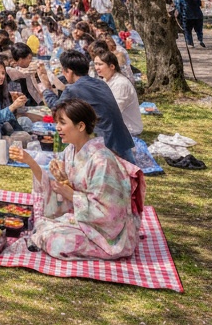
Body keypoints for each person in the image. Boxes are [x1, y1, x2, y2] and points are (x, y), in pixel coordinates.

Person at [9, 99, 140, 260]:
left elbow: (110, 213)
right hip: (82, 219)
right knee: (42, 224)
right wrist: (31, 162)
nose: (57, 127)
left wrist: (71, 194)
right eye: (57, 122)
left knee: (57, 241)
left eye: (62, 123)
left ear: (81, 126)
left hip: (106, 233)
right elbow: (56, 186)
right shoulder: (70, 151)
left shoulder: (102, 161)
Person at [37, 50, 135, 163]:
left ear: (69, 71)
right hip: (122, 140)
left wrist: (46, 87)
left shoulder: (73, 90)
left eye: (63, 71)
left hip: (104, 146)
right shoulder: (100, 83)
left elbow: (56, 109)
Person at [93, 51, 142, 135]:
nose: (97, 67)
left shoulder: (120, 84)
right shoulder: (106, 79)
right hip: (113, 125)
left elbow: (113, 111)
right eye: (95, 64)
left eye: (100, 64)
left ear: (112, 66)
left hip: (128, 130)